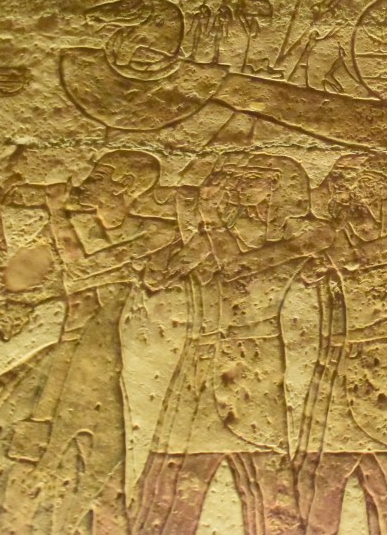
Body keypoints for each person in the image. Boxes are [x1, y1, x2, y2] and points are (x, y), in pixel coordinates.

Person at [134, 154, 331, 535]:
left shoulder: (299, 240)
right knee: (169, 490)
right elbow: (158, 277)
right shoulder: (211, 240)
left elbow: (238, 266)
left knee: (269, 491)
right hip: (198, 365)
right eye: (236, 178)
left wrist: (207, 226)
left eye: (255, 179)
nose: (242, 186)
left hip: (254, 372)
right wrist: (190, 231)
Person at [0, 150, 177, 534]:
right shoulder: (76, 229)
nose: (84, 183)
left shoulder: (158, 234)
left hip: (114, 373)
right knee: (16, 468)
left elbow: (84, 271)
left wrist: (57, 214)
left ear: (125, 187)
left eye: (97, 176)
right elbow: (20, 280)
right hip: (62, 365)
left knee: (98, 484)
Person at [295, 153, 387, 535]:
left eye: (372, 198)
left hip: (382, 378)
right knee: (324, 481)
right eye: (352, 199)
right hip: (336, 375)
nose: (362, 211)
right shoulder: (334, 248)